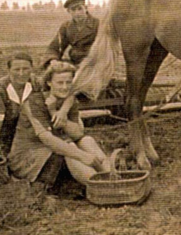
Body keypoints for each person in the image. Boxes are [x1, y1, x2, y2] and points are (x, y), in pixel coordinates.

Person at [8, 61, 110, 189]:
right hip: (31, 156)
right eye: (60, 83)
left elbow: (78, 133)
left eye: (68, 82)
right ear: (49, 83)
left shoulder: (69, 101)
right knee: (70, 148)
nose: (64, 87)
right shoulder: (33, 102)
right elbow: (47, 138)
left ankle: (111, 177)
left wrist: (57, 113)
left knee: (87, 140)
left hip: (55, 151)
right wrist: (83, 156)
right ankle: (101, 187)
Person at [43, 0, 99, 67]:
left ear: (86, 8)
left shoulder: (98, 24)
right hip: (74, 62)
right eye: (73, 10)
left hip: (94, 62)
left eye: (80, 9)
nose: (77, 13)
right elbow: (56, 46)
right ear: (69, 11)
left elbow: (105, 47)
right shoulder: (66, 27)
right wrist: (53, 60)